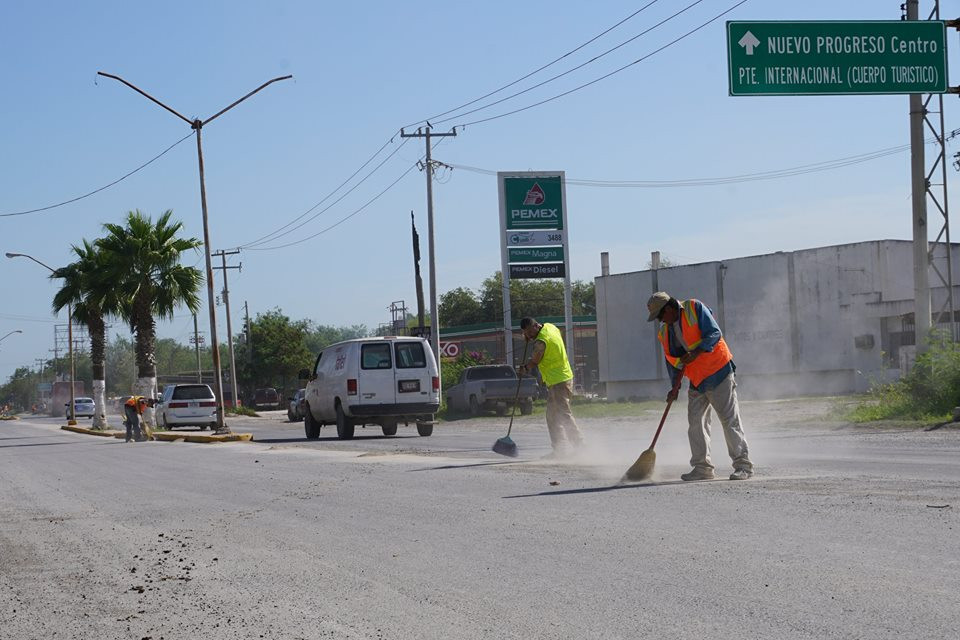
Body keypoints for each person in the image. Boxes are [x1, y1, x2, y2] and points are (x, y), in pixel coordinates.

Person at [647, 291, 754, 481]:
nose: (660, 321)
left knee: (729, 420)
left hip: (719, 371)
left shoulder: (694, 308)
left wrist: (696, 353)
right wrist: (674, 388)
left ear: (670, 309)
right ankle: (702, 468)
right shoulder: (665, 332)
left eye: (661, 316)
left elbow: (714, 333)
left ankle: (743, 466)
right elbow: (672, 363)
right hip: (697, 380)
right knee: (696, 423)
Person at [518, 317, 583, 457]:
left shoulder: (540, 342)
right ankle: (560, 450)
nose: (528, 335)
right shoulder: (550, 327)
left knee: (563, 414)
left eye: (529, 332)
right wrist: (531, 338)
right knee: (552, 416)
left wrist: (524, 368)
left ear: (536, 326)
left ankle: (580, 447)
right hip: (562, 377)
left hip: (558, 380)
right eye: (525, 333)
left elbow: (535, 361)